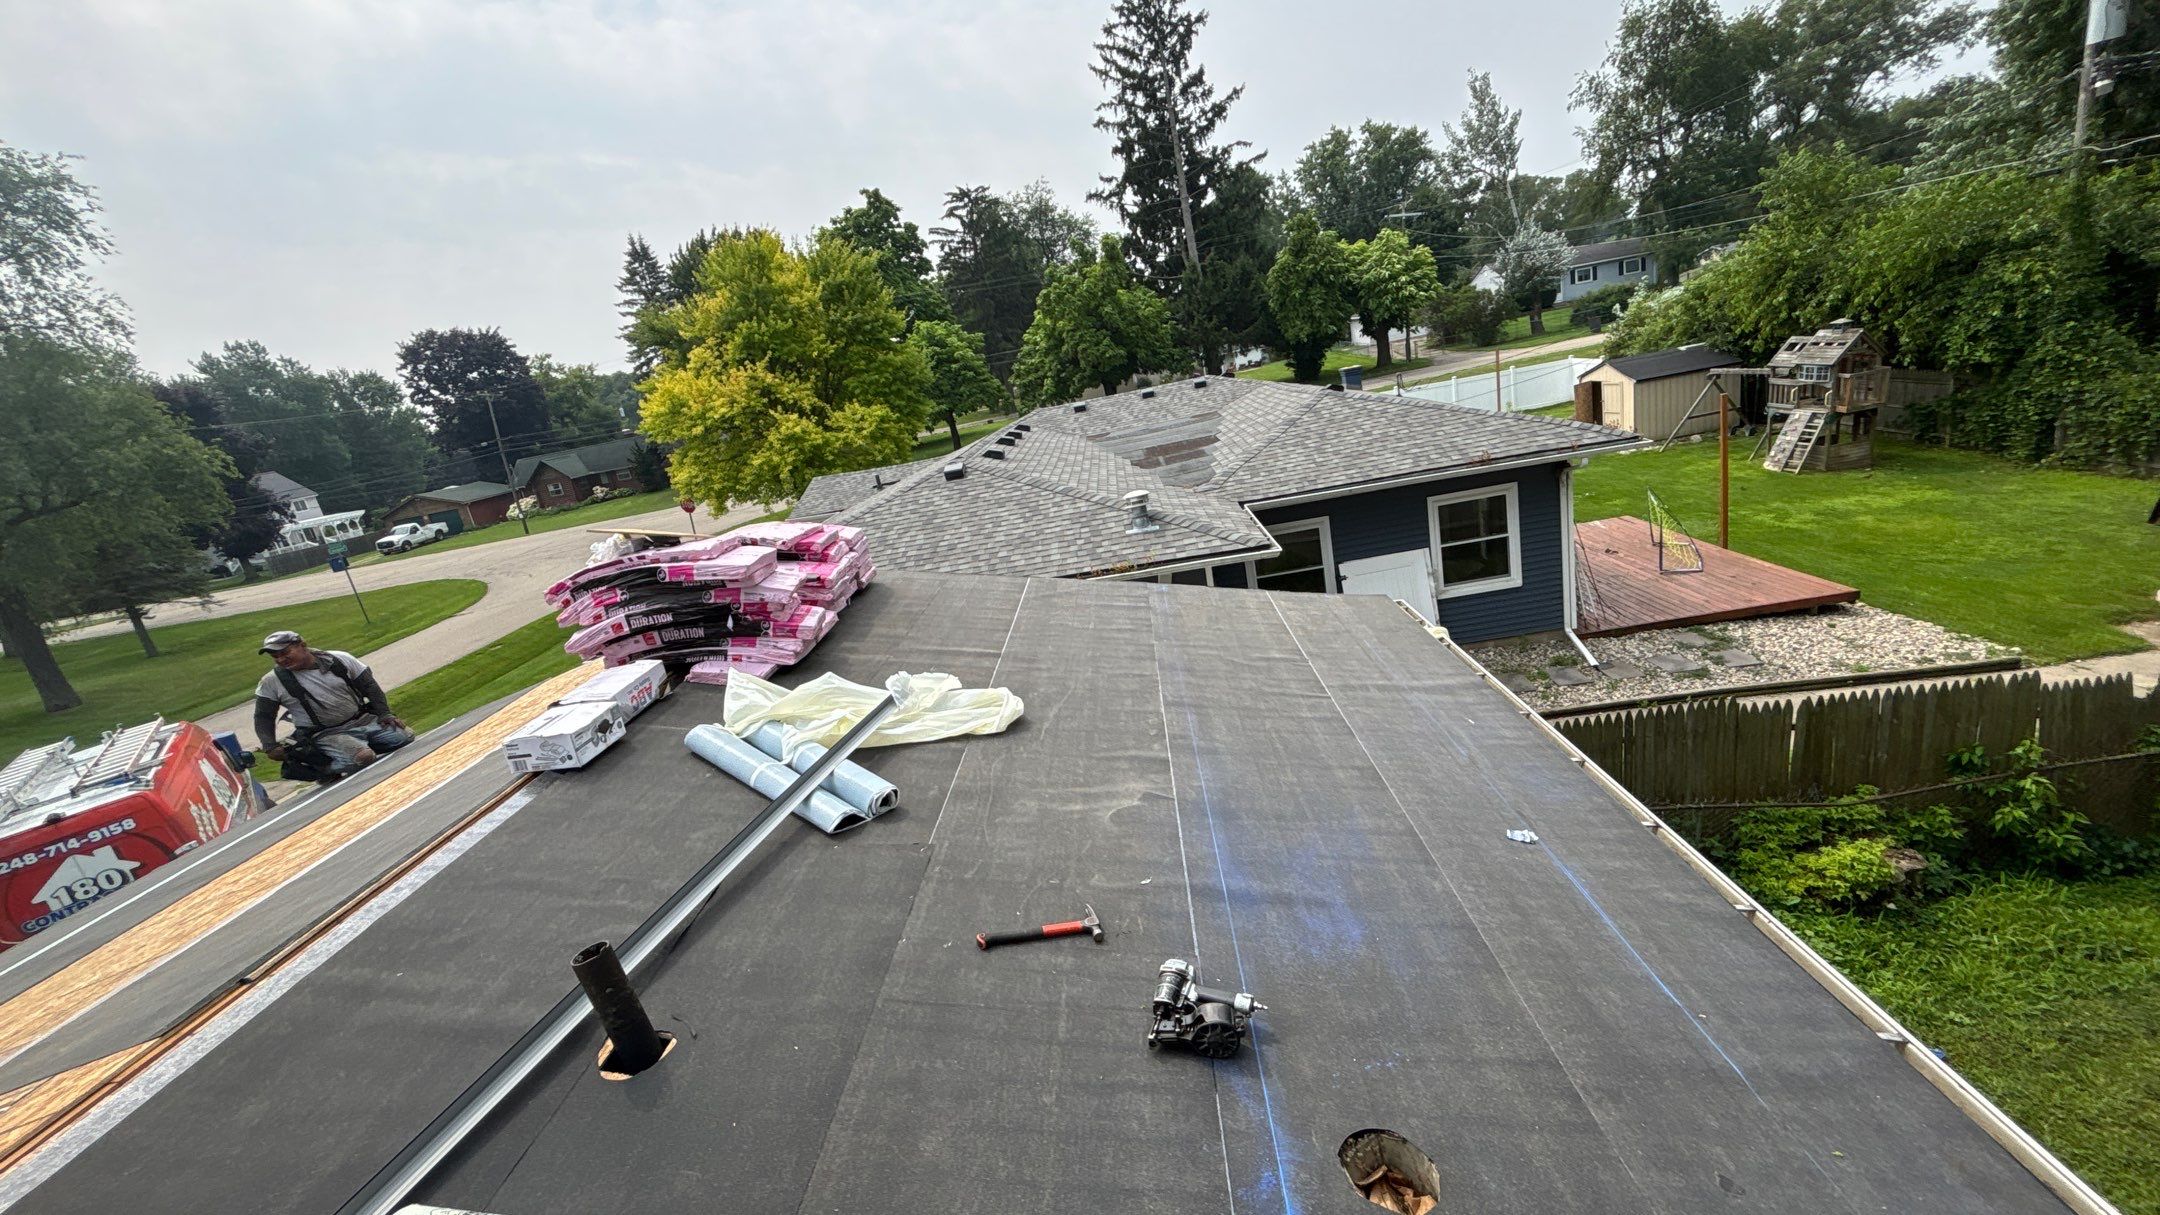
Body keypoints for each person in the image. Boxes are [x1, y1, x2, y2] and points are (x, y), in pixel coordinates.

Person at [252, 630, 413, 779]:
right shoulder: (271, 681)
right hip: (325, 734)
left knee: (405, 737)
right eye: (275, 656)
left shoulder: (339, 659)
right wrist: (270, 745)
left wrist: (385, 713)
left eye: (285, 653)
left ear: (302, 645)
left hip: (362, 720)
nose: (281, 659)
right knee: (364, 757)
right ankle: (321, 769)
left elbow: (369, 686)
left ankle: (353, 750)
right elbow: (263, 716)